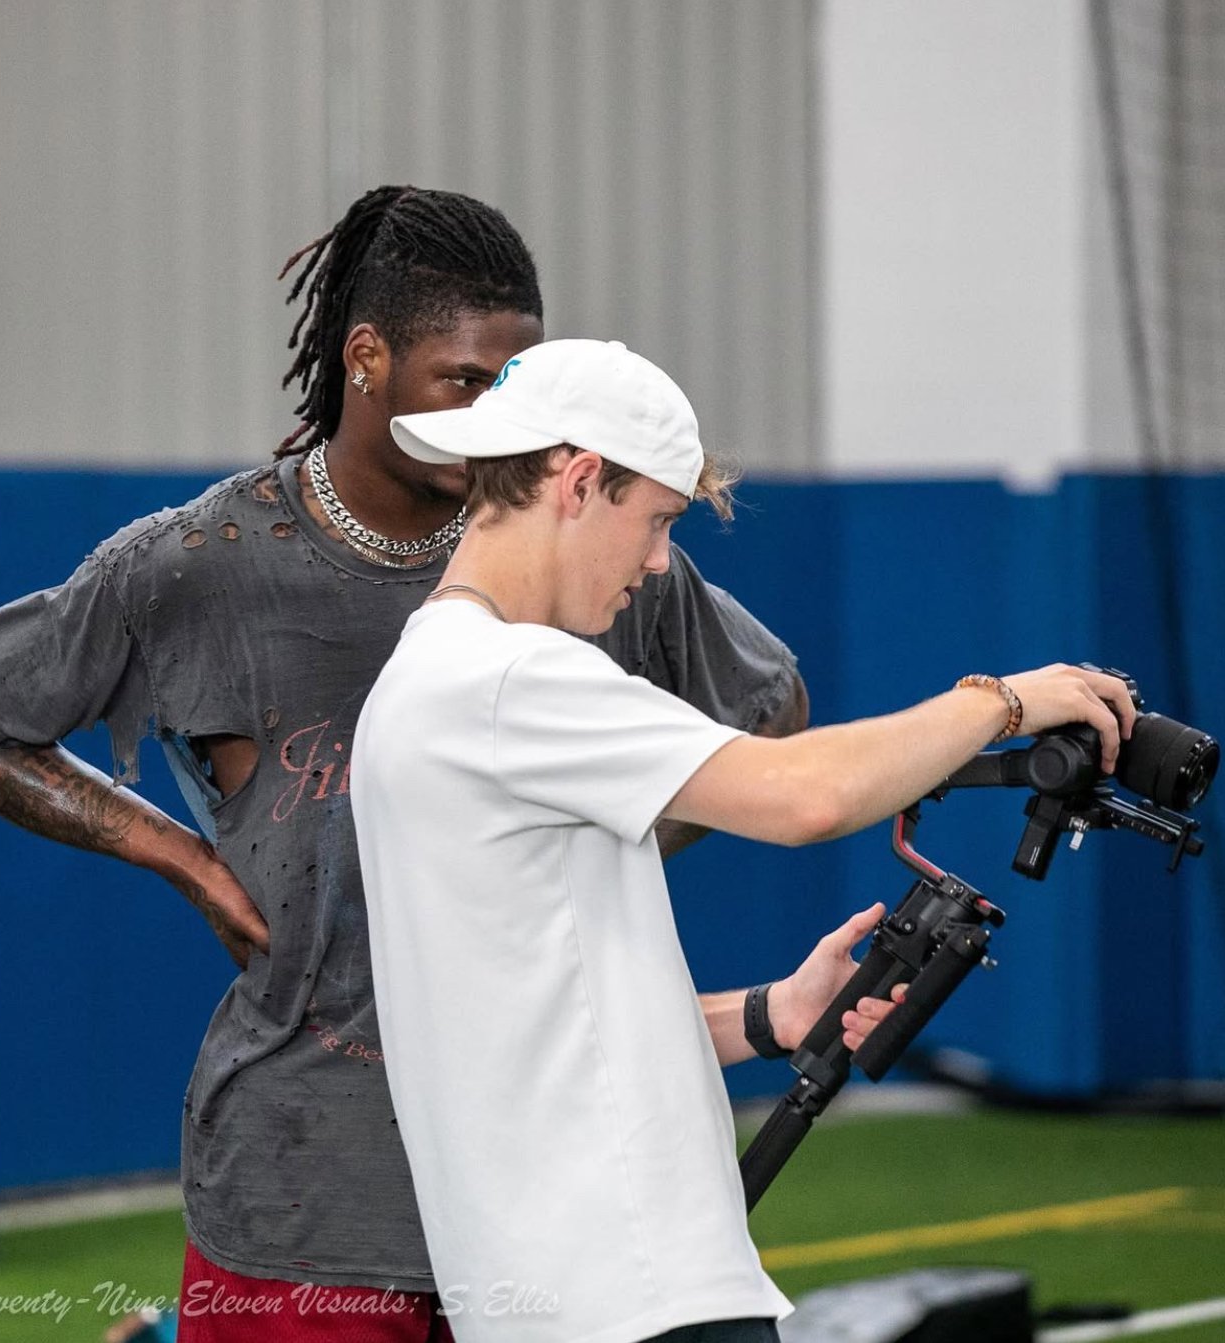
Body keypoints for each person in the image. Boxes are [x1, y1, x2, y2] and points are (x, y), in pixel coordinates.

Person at [0, 187, 850, 1342]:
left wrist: (592, 834)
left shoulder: (584, 553)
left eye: (516, 388)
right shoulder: (194, 562)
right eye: (466, 382)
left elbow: (771, 708)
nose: (499, 419)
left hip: (541, 1211)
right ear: (365, 358)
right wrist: (186, 861)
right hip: (301, 1187)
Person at [351, 338, 1137, 1343]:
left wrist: (769, 1015)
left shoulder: (422, 685)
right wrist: (1008, 699)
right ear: (579, 480)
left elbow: (528, 1023)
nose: (656, 563)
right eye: (658, 520)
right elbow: (807, 794)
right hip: (635, 1299)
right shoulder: (507, 680)